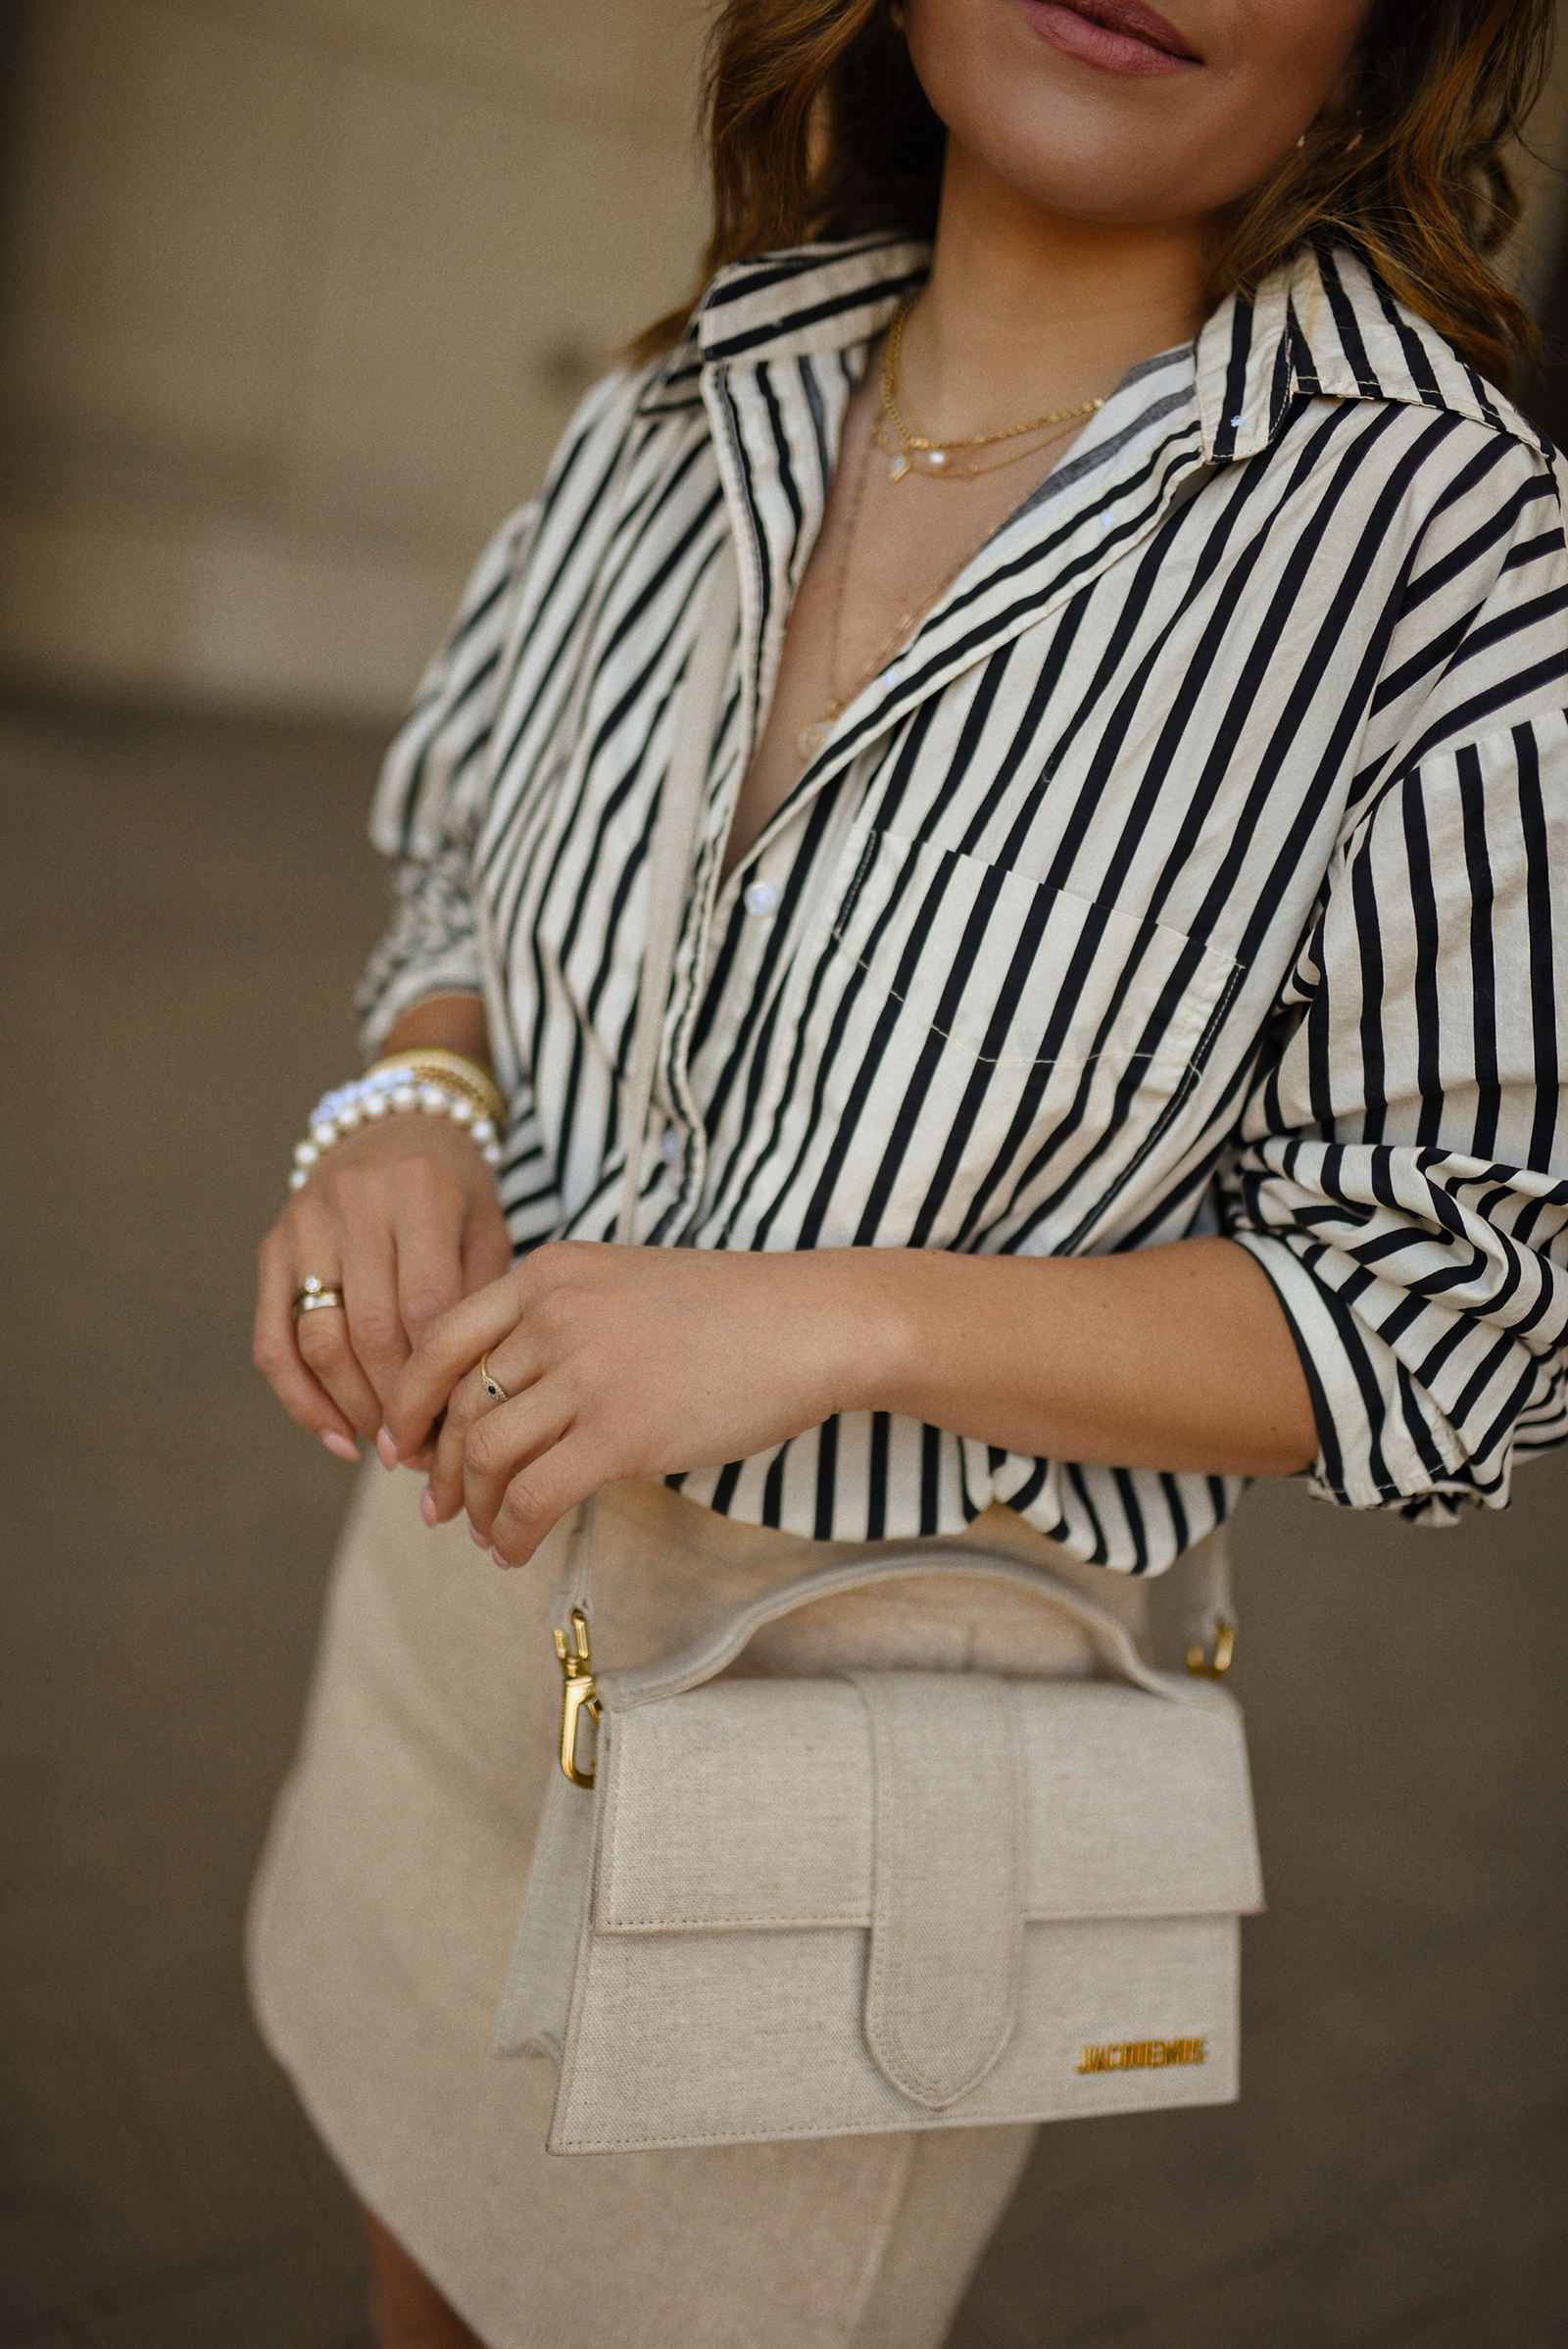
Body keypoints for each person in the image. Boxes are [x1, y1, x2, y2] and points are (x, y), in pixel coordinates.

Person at [247, 1, 1567, 2343]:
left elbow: (1453, 1314)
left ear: (1382, 52)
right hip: (447, 1630)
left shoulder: (1444, 554)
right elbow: (454, 884)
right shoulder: (687, 394)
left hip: (854, 1784)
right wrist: (411, 1111)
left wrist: (827, 1308)